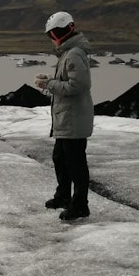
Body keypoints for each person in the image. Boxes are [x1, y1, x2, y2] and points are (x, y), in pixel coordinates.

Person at [34, 11, 92, 220]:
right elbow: (68, 82)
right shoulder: (68, 53)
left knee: (76, 163)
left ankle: (80, 205)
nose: (53, 37)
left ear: (63, 31)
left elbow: (77, 86)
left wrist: (49, 84)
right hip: (67, 118)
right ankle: (64, 196)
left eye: (54, 33)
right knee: (60, 158)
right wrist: (50, 81)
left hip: (73, 118)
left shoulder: (74, 53)